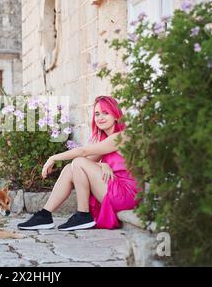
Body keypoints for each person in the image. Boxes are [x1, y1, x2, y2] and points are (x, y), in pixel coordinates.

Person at [17, 96, 141, 231]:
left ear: (116, 115)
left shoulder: (120, 137)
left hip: (127, 194)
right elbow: (88, 162)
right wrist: (102, 165)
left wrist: (53, 158)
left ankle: (83, 214)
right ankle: (45, 214)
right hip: (114, 188)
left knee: (78, 162)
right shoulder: (105, 140)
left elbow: (83, 152)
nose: (100, 118)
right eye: (97, 114)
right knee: (70, 168)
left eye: (106, 113)